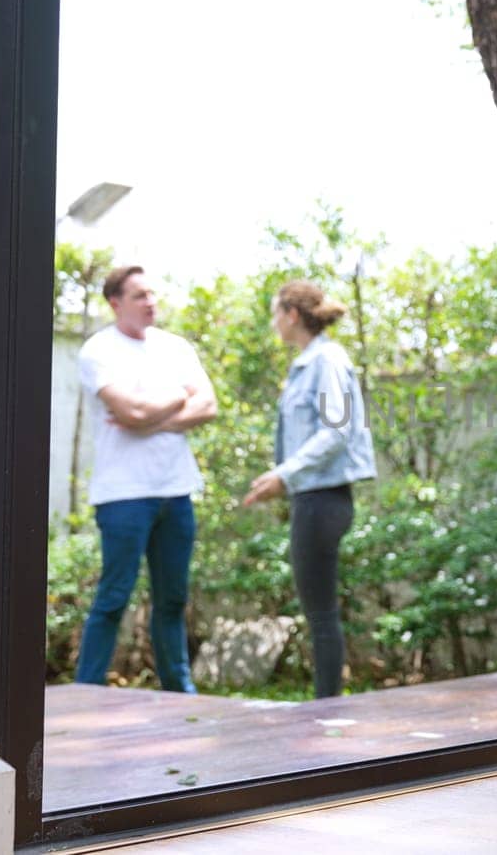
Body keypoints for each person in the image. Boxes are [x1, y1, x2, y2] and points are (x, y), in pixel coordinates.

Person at [74, 266, 218, 693]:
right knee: (113, 597)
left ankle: (179, 692)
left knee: (172, 600)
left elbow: (207, 405)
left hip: (175, 491)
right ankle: (87, 691)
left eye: (152, 293)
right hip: (123, 496)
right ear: (115, 303)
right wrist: (178, 397)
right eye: (139, 295)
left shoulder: (175, 348)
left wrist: (151, 419)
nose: (150, 301)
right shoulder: (98, 351)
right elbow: (129, 412)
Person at [243, 280, 377, 699]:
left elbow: (336, 431)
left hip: (325, 499)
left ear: (292, 315)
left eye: (274, 313)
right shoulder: (306, 363)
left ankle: (327, 710)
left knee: (321, 614)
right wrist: (284, 479)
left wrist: (285, 474)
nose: (273, 323)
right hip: (311, 497)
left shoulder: (327, 360)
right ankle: (326, 705)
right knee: (318, 611)